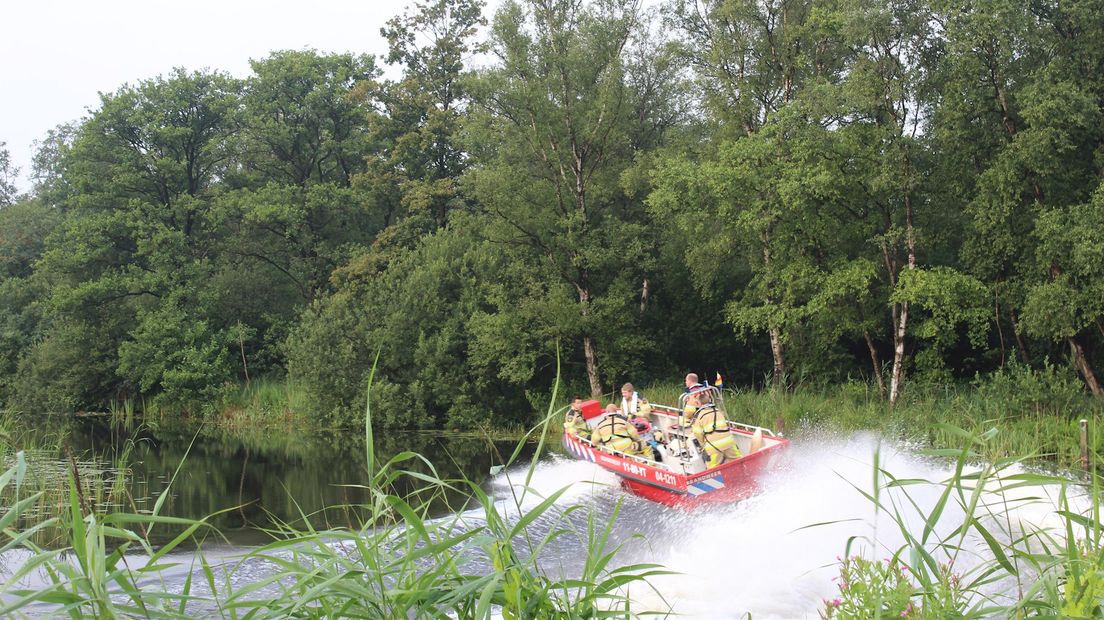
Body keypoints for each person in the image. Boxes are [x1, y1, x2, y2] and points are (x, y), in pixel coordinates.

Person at [683, 386, 740, 468]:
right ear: (709, 400)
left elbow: (698, 434)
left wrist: (703, 445)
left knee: (712, 469)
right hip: (729, 443)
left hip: (714, 447)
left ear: (699, 403)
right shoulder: (718, 411)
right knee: (739, 462)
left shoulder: (700, 416)